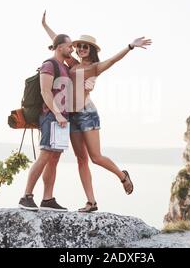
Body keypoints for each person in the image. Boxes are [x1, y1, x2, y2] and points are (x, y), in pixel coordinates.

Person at [42, 11, 152, 212]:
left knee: (96, 157)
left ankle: (122, 176)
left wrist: (130, 46)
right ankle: (91, 202)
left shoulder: (94, 67)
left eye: (86, 47)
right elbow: (58, 43)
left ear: (91, 50)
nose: (81, 48)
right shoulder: (73, 64)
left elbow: (113, 60)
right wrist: (45, 26)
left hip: (87, 114)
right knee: (81, 159)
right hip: (72, 116)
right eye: (79, 46)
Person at [18, 33, 74, 212]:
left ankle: (47, 199)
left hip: (62, 118)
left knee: (54, 158)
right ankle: (26, 196)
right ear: (59, 47)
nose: (72, 49)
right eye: (69, 46)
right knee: (45, 155)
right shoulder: (49, 65)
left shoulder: (64, 66)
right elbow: (45, 91)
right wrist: (57, 113)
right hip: (51, 116)